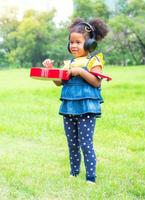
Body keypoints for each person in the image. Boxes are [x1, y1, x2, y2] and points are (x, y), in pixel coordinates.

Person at [43, 18, 108, 183]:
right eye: (71, 42)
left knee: (85, 143)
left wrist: (80, 71)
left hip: (86, 108)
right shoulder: (68, 64)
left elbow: (96, 82)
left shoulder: (94, 61)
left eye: (78, 42)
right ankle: (74, 173)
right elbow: (59, 82)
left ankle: (91, 177)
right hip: (69, 107)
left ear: (89, 44)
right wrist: (51, 70)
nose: (73, 45)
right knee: (72, 144)